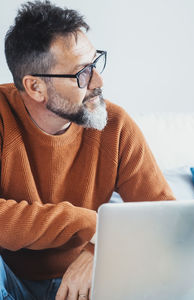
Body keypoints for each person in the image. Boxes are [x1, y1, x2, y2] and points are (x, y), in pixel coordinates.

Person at [0, 1, 175, 299]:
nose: (98, 81)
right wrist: (91, 225)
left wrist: (99, 247)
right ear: (35, 87)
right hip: (10, 279)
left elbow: (166, 221)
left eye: (96, 63)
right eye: (82, 73)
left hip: (87, 283)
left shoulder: (115, 126)